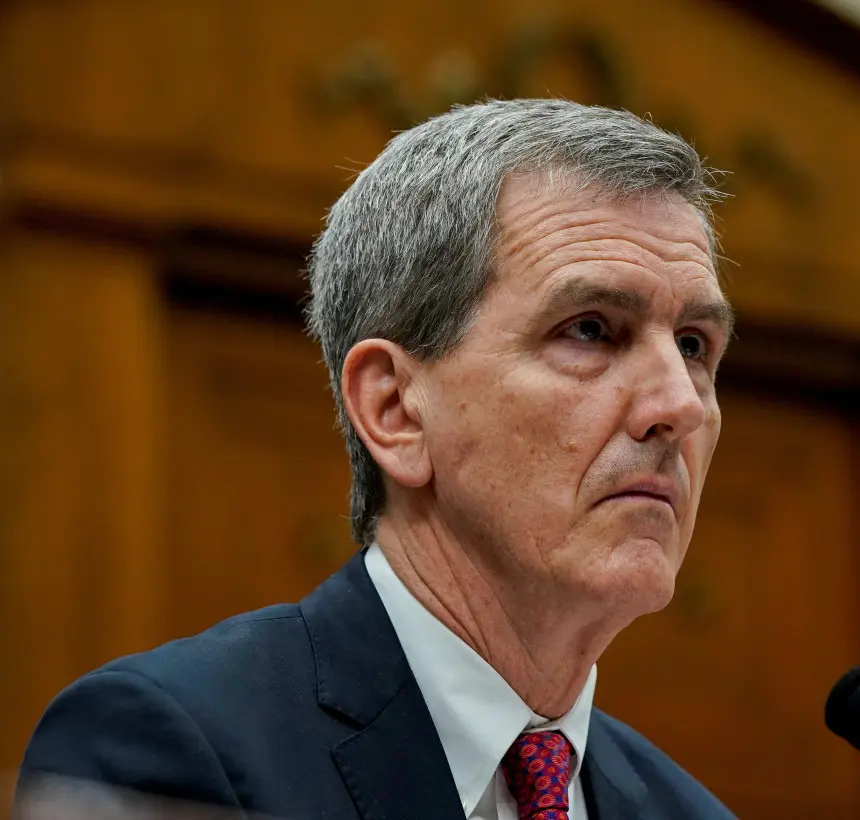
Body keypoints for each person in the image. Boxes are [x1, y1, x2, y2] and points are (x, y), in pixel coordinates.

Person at [17, 99, 737, 820]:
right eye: (591, 330)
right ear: (394, 411)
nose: (679, 404)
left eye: (694, 345)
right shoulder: (175, 747)